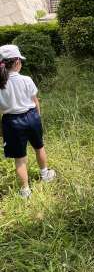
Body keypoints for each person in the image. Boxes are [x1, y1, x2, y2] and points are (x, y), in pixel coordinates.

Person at [0, 45, 56, 199]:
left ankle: (25, 191)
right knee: (39, 147)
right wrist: (37, 118)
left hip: (11, 121)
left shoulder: (1, 85)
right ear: (17, 62)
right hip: (31, 117)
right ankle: (45, 174)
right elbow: (35, 101)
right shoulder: (26, 79)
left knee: (19, 159)